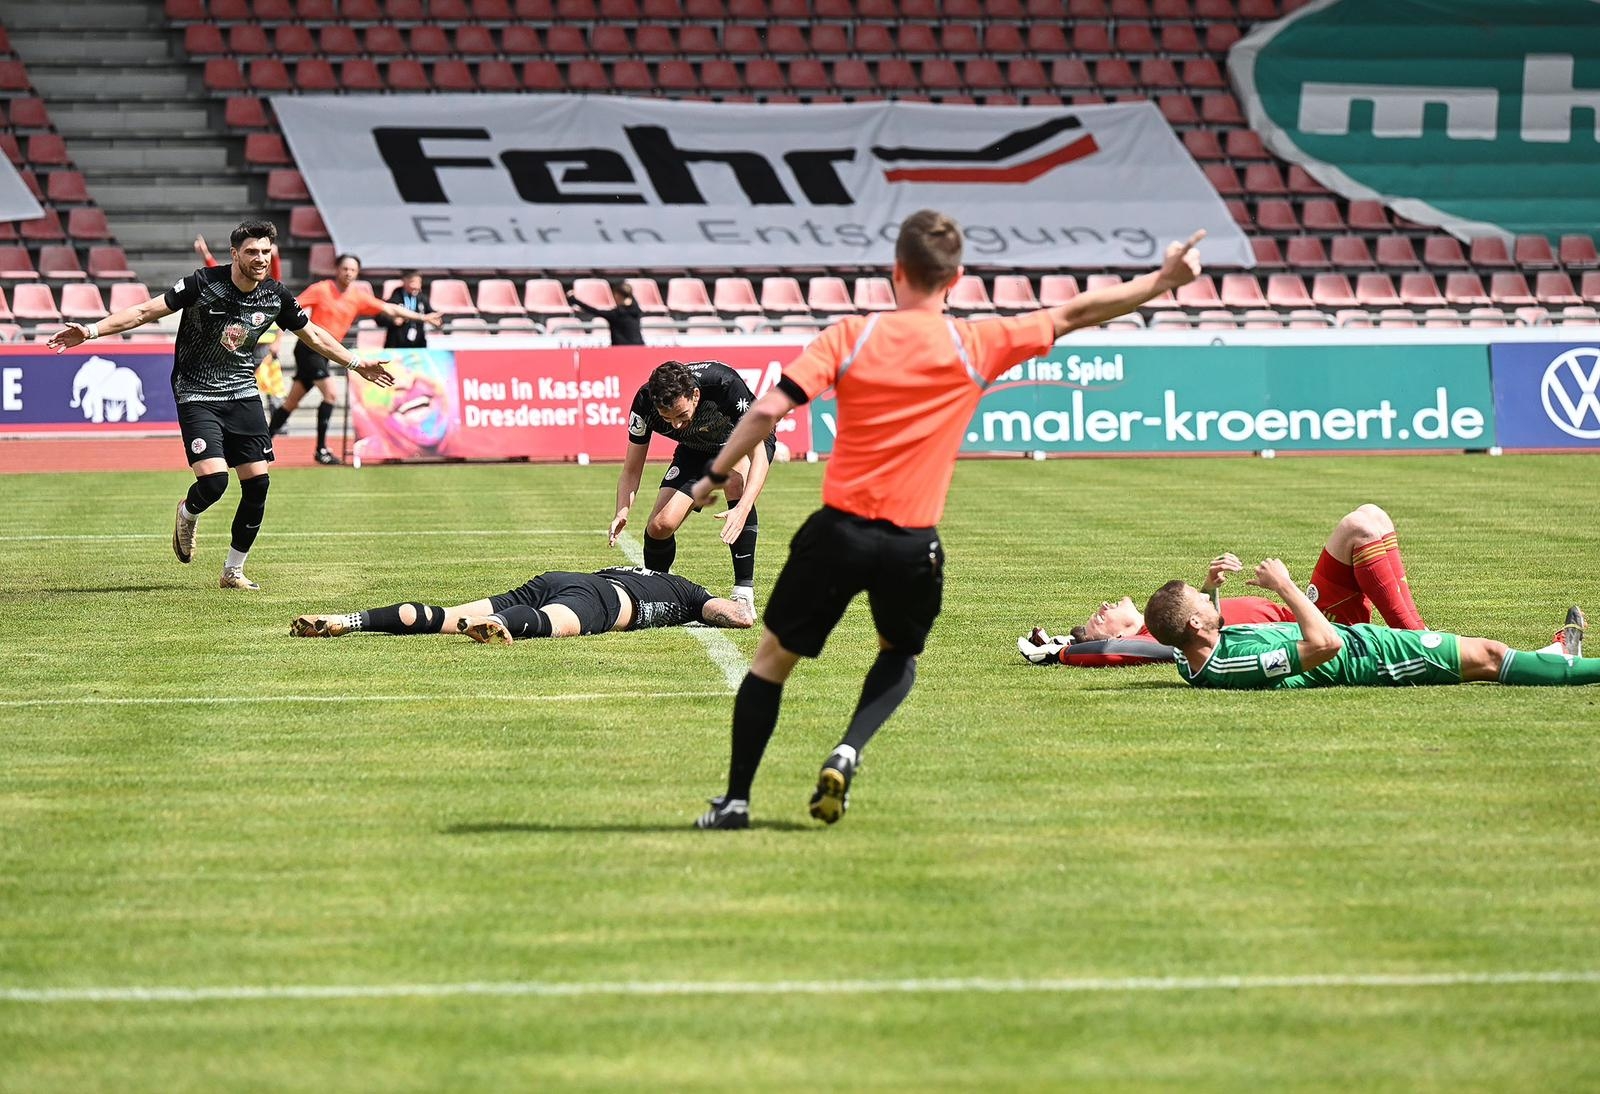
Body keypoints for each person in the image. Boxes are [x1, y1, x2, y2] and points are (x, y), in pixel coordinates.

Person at [683, 209, 1207, 830]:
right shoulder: (975, 343)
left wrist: (715, 476)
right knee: (898, 657)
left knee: (772, 661)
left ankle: (737, 801)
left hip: (839, 532)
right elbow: (1074, 313)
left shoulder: (851, 336)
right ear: (956, 278)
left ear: (896, 271)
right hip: (911, 544)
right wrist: (1162, 281)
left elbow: (768, 408)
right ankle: (847, 751)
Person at [47, 219, 396, 590]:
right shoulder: (203, 283)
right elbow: (145, 312)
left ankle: (233, 571)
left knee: (258, 483)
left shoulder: (275, 295)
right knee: (214, 482)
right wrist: (91, 330)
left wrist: (356, 364)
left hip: (243, 392)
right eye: (252, 252)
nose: (260, 258)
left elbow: (312, 334)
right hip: (196, 393)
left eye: (265, 252)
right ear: (234, 254)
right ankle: (187, 512)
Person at [1021, 504, 1437, 668]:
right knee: (1359, 526)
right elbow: (1109, 651)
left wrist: (1209, 587)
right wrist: (1063, 651)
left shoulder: (1177, 623)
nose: (1104, 605)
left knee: (1372, 518)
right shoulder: (1157, 640)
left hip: (1306, 614)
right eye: (1100, 617)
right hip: (1313, 623)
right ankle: (1418, 637)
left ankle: (1415, 633)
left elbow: (1214, 622)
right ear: (1121, 632)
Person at [1143, 558, 1596, 689]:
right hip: (1372, 659)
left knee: (1488, 656)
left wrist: (1210, 587)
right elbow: (1325, 646)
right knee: (1491, 657)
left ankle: (1557, 657)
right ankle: (1578, 667)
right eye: (1202, 600)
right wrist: (1283, 586)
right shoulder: (1232, 667)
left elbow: (1198, 633)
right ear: (1199, 623)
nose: (1207, 596)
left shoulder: (1190, 654)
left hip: (1366, 642)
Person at [611, 360, 774, 613]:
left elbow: (759, 458)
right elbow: (631, 468)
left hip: (739, 439)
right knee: (659, 526)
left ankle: (743, 593)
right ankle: (657, 593)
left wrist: (743, 508)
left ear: (695, 395)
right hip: (695, 447)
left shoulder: (724, 385)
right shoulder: (644, 402)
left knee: (734, 481)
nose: (675, 425)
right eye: (668, 418)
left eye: (681, 415)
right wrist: (622, 511)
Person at [267, 253, 442, 465]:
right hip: (309, 349)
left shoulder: (357, 296)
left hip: (328, 352)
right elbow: (288, 310)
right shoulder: (321, 289)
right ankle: (321, 450)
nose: (348, 273)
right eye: (345, 268)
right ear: (336, 270)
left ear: (357, 273)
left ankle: (263, 443)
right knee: (331, 394)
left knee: (291, 402)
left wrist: (423, 318)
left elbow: (390, 308)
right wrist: (277, 339)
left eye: (353, 270)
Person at [291, 565, 753, 642]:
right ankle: (495, 624)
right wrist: (738, 602)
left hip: (563, 576)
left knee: (448, 616)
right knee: (550, 624)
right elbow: (735, 618)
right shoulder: (688, 590)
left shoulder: (645, 572)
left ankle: (348, 620)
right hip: (605, 599)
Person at [567, 281, 644, 345]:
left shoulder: (614, 315)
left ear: (618, 296)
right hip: (639, 348)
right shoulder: (637, 311)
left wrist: (573, 300)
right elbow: (630, 299)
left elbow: (594, 310)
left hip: (620, 350)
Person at [384, 270, 433, 349]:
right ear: (404, 281)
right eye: (413, 282)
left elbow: (430, 313)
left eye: (419, 283)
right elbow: (381, 317)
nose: (416, 286)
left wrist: (435, 320)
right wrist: (393, 320)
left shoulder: (422, 298)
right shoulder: (396, 297)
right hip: (396, 345)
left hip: (418, 345)